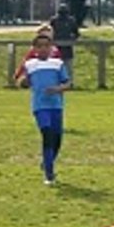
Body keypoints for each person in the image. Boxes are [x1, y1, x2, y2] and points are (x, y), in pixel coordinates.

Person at [20, 32, 72, 185]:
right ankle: (49, 174)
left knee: (57, 140)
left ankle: (47, 161)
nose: (43, 49)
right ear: (34, 49)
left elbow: (68, 83)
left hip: (56, 106)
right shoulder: (30, 64)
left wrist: (58, 88)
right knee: (47, 135)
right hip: (40, 106)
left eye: (46, 46)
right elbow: (23, 82)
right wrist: (23, 82)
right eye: (39, 46)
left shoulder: (58, 64)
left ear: (51, 48)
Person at [48, 3, 80, 79]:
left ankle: (60, 81)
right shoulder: (70, 20)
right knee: (67, 66)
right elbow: (76, 34)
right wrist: (72, 39)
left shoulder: (54, 20)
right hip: (62, 47)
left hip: (59, 46)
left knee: (59, 65)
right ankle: (68, 82)